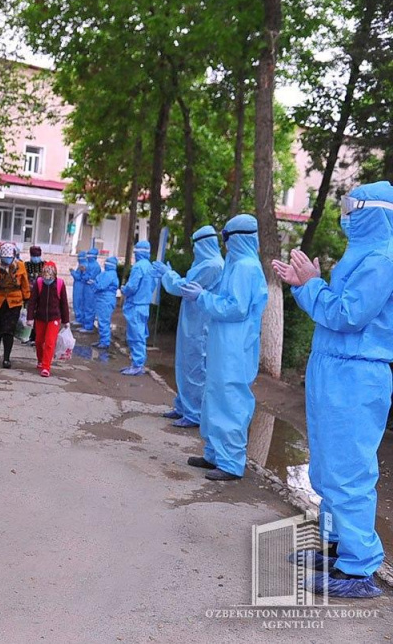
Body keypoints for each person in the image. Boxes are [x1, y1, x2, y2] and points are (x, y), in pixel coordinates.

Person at [271, 181, 393, 599]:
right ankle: (339, 548)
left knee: (350, 470)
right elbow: (333, 306)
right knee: (326, 465)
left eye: (351, 206)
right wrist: (308, 283)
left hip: (357, 373)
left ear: (374, 212)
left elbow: (348, 315)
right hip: (336, 367)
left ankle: (359, 570)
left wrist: (310, 285)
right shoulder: (362, 254)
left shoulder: (382, 258)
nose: (345, 214)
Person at [182, 214, 267, 482]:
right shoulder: (236, 265)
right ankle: (214, 454)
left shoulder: (246, 267)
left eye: (226, 238)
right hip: (225, 343)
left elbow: (236, 307)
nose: (225, 244)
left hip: (236, 347)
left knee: (231, 400)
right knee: (215, 395)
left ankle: (230, 462)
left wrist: (203, 297)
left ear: (238, 237)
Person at [153, 226, 224, 429]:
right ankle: (183, 406)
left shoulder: (213, 265)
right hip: (192, 322)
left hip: (201, 326)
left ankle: (194, 414)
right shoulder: (205, 263)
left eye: (196, 245)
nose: (194, 250)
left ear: (204, 244)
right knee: (184, 364)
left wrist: (168, 274)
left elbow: (184, 287)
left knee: (195, 368)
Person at [0, 242, 31, 369]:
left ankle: (6, 358)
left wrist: (27, 299)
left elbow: (25, 284)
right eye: (5, 258)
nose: (7, 260)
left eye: (9, 258)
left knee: (8, 330)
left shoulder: (20, 266)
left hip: (14, 302)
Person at [119, 240, 159, 375]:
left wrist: (124, 290)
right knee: (140, 334)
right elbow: (153, 286)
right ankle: (137, 363)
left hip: (135, 305)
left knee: (135, 335)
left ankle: (137, 365)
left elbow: (132, 286)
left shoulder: (138, 267)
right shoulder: (150, 267)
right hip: (144, 305)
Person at [26, 261, 70, 377]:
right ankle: (40, 360)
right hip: (40, 317)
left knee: (50, 342)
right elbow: (32, 302)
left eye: (49, 279)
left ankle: (46, 367)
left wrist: (66, 321)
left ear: (54, 276)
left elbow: (64, 303)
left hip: (54, 318)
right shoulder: (39, 283)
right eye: (45, 278)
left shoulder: (60, 284)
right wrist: (30, 318)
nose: (47, 281)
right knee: (39, 341)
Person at [92, 256, 119, 349]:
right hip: (103, 299)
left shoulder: (109, 274)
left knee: (104, 321)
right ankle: (102, 340)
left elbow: (100, 286)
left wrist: (94, 283)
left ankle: (105, 341)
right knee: (101, 320)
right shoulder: (107, 273)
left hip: (105, 300)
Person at [25, 246, 44, 345]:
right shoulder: (26, 265)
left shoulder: (44, 265)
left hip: (41, 294)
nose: (35, 258)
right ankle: (27, 335)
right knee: (28, 314)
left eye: (37, 256)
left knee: (38, 315)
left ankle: (36, 337)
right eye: (33, 256)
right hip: (29, 293)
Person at [81, 248, 102, 332]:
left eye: (90, 255)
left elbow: (89, 277)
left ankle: (88, 326)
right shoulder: (90, 264)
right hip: (87, 287)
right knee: (85, 305)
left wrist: (84, 273)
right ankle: (85, 324)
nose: (88, 257)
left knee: (89, 306)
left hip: (91, 288)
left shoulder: (96, 266)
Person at [70, 252, 88, 333]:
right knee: (78, 303)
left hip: (79, 287)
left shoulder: (83, 265)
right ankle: (79, 319)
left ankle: (79, 319)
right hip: (79, 286)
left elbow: (78, 277)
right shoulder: (83, 264)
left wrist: (72, 272)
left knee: (78, 303)